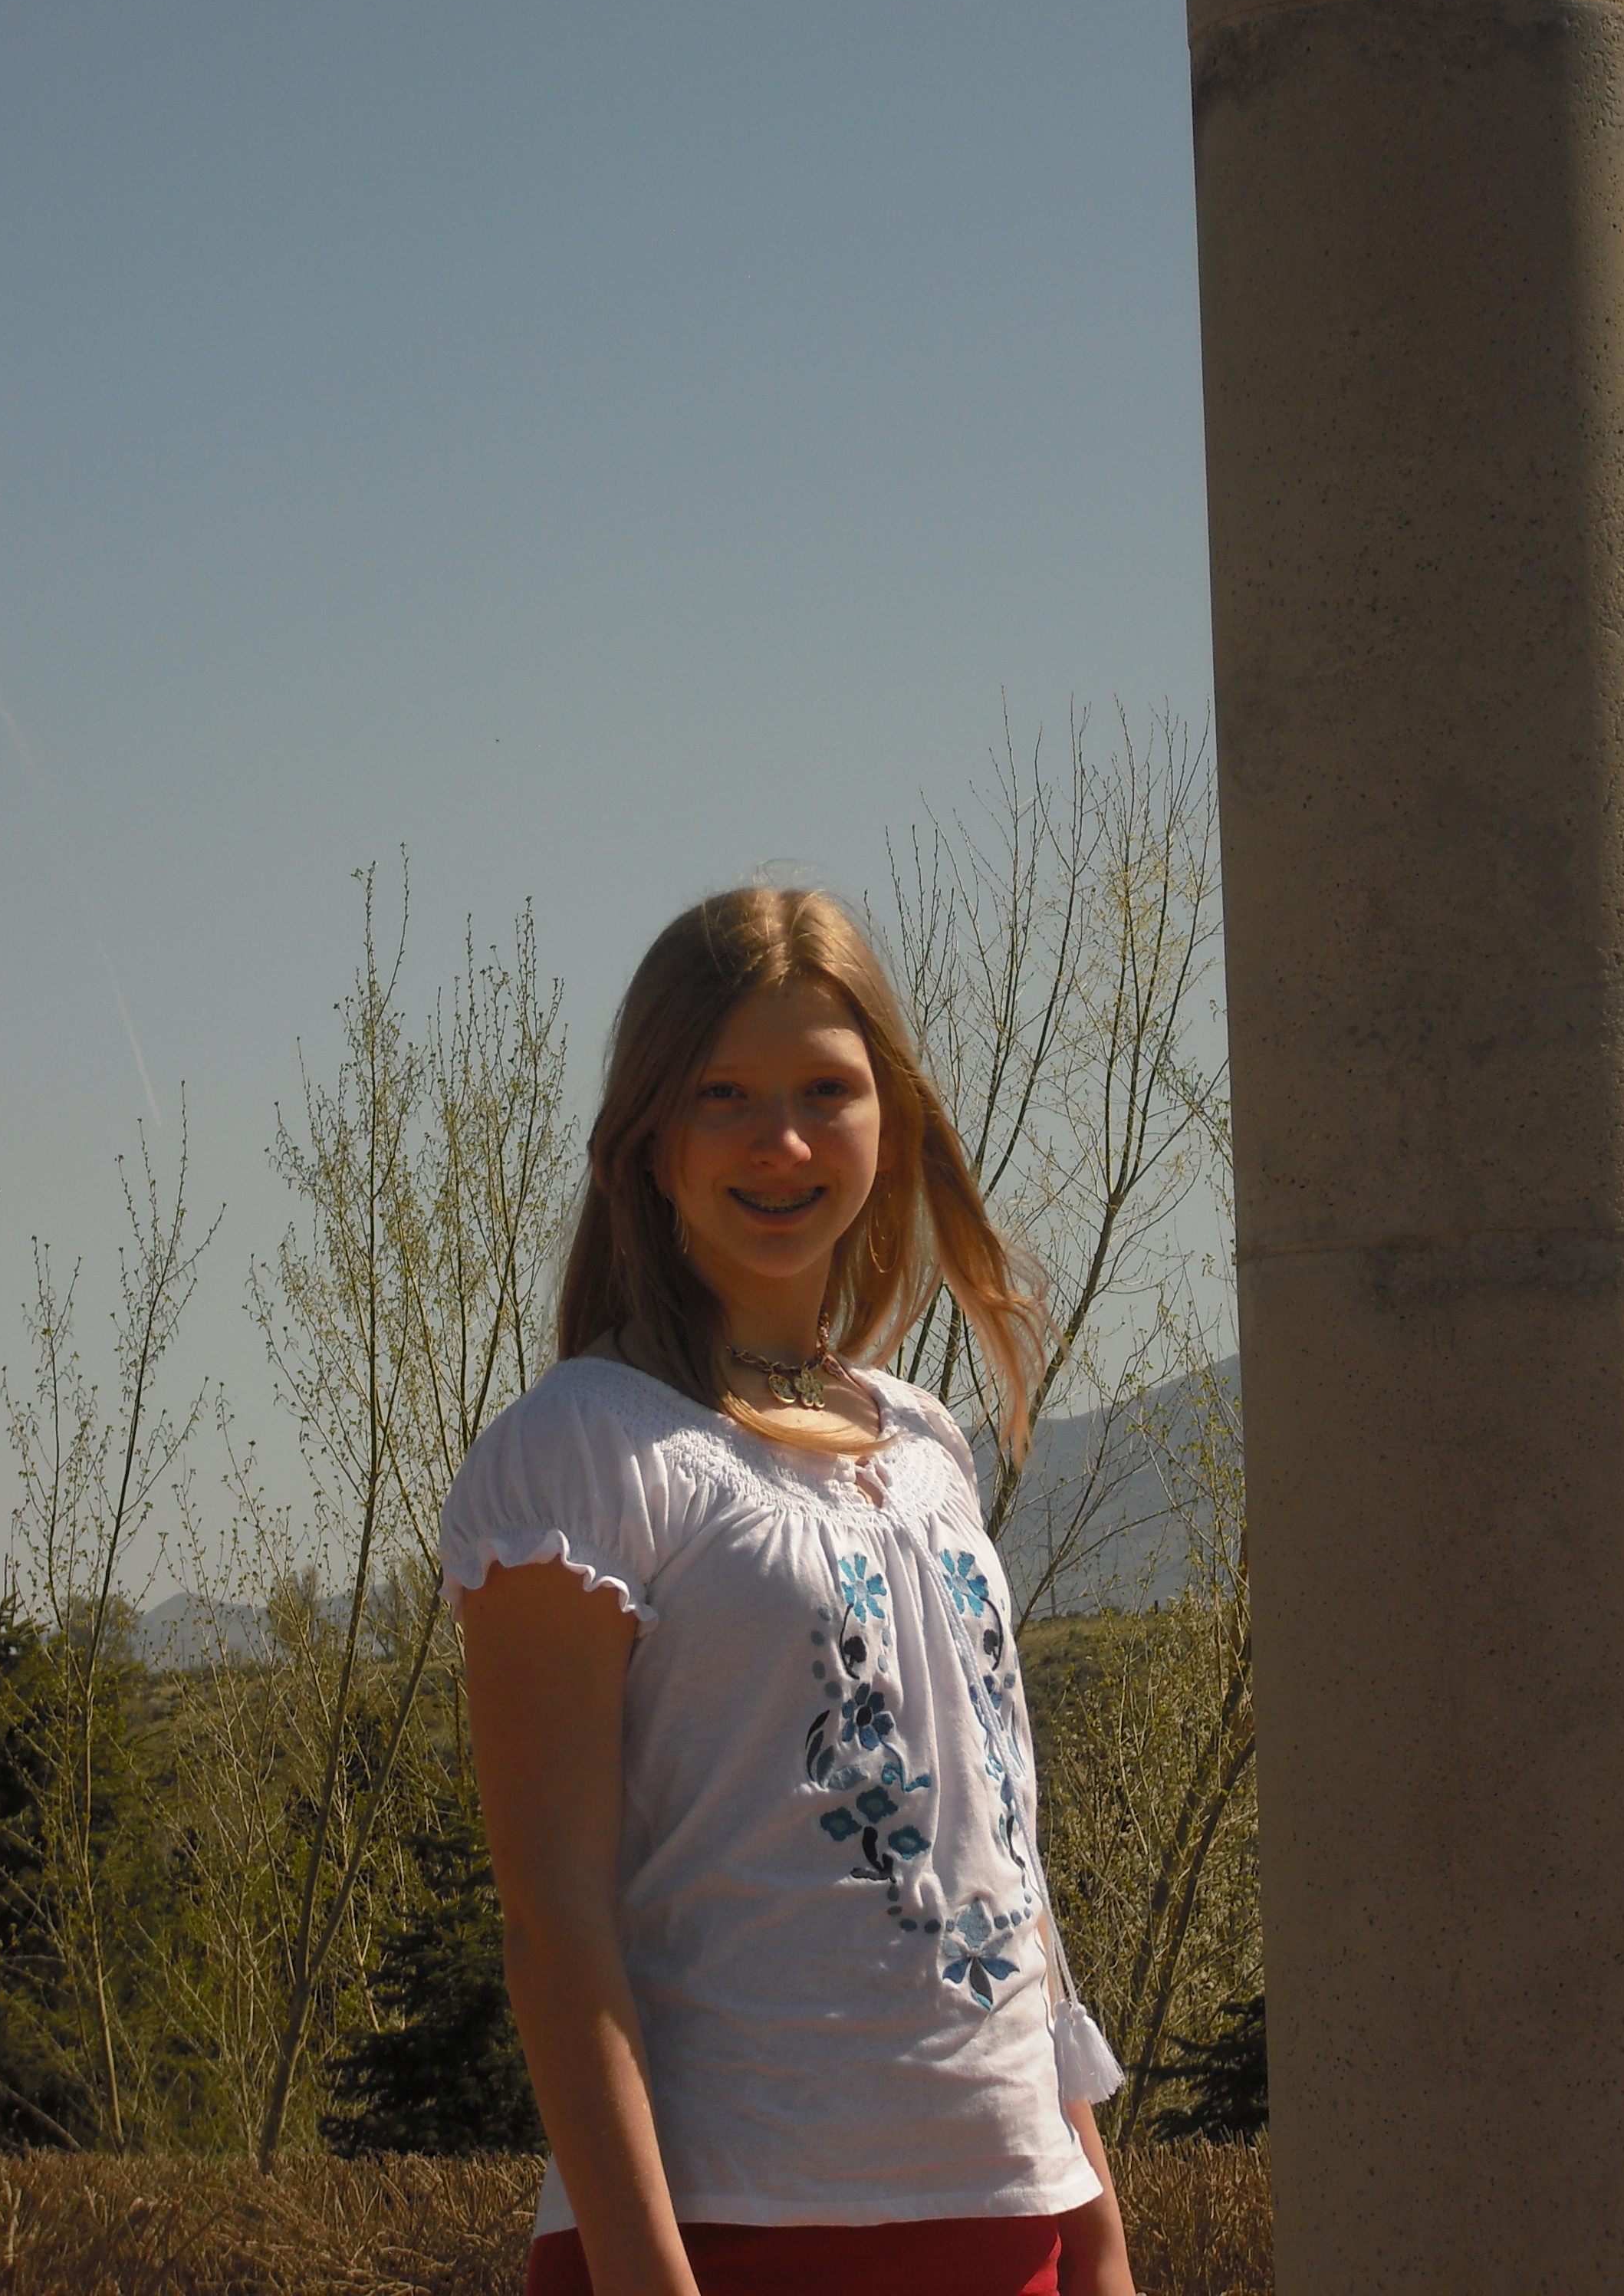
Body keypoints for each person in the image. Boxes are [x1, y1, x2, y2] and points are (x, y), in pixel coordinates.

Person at [442, 886, 1138, 2296]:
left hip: (1011, 2221)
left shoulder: (928, 1447)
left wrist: (1096, 2224)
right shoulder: (580, 1453)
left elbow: (1004, 1866)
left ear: (891, 1118)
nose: (785, 1142)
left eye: (827, 1090)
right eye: (726, 1097)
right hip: (724, 2232)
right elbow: (554, 1922)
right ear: (650, 1137)